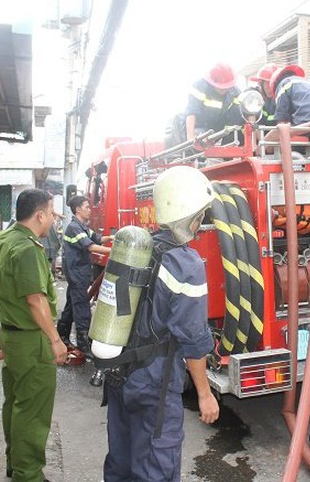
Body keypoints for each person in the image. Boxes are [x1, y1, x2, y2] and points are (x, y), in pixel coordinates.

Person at [103, 166, 219, 481]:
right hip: (153, 381)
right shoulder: (186, 265)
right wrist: (205, 394)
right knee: (157, 469)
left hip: (119, 373)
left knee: (121, 463)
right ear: (193, 214)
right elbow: (193, 340)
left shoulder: (141, 247)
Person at [0, 188, 68, 482]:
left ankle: (16, 464)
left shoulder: (4, 239)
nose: (52, 219)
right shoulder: (27, 249)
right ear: (39, 215)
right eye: (51, 213)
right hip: (30, 338)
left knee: (16, 403)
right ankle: (29, 474)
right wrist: (56, 340)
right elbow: (36, 301)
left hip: (11, 336)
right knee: (33, 409)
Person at [57, 196, 112, 356]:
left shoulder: (82, 227)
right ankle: (83, 343)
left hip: (79, 273)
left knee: (71, 306)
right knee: (82, 307)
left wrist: (110, 238)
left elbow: (96, 238)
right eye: (87, 207)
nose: (90, 209)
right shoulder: (74, 227)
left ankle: (62, 334)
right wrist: (114, 251)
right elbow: (90, 246)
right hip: (77, 274)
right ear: (78, 209)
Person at [185, 62, 242, 141]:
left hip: (221, 129)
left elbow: (241, 115)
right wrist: (191, 139)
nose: (224, 89)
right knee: (201, 140)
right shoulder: (200, 87)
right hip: (201, 127)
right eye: (221, 87)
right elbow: (191, 113)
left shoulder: (235, 92)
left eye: (227, 86)